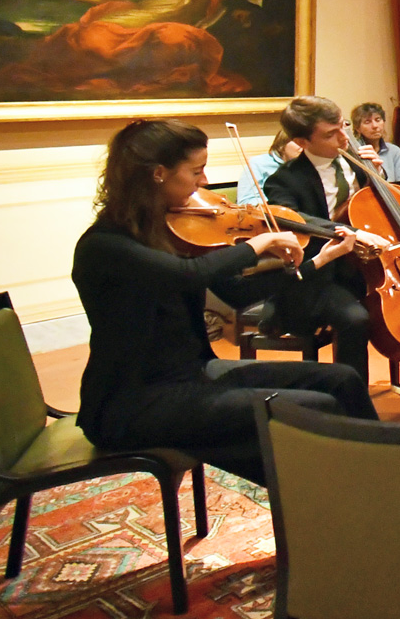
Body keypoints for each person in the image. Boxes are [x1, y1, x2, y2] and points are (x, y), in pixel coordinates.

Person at [74, 119, 377, 485]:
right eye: (197, 171)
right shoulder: (106, 246)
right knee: (316, 410)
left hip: (194, 374)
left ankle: (389, 473)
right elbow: (192, 275)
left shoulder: (166, 231)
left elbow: (234, 292)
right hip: (133, 404)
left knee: (342, 380)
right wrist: (259, 244)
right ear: (158, 174)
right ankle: (346, 493)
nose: (204, 182)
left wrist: (318, 261)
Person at [261, 95, 392, 373]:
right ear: (303, 142)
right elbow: (294, 220)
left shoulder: (358, 162)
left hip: (365, 267)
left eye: (343, 126)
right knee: (355, 319)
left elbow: (378, 209)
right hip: (320, 276)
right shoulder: (284, 180)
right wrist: (351, 232)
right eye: (331, 134)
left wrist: (376, 177)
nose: (344, 138)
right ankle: (352, 400)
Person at [349, 101, 400, 182]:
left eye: (378, 120)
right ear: (357, 128)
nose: (375, 126)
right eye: (367, 122)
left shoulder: (394, 151)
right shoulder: (352, 153)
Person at [236, 131, 301, 207]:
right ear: (282, 145)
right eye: (298, 142)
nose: (304, 146)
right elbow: (246, 201)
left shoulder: (309, 165)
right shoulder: (258, 163)